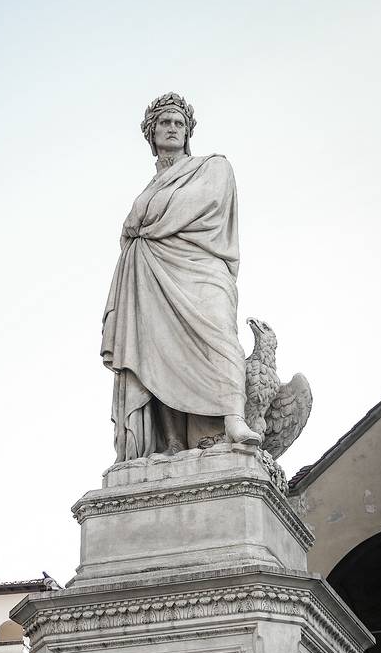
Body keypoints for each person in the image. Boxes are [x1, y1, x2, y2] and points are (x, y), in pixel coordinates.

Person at [101, 92, 261, 462]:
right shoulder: (148, 189)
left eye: (179, 123)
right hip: (151, 270)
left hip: (202, 266)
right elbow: (132, 229)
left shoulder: (212, 167)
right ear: (151, 132)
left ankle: (233, 419)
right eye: (164, 123)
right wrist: (143, 225)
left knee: (220, 336)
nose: (172, 128)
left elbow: (203, 203)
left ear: (188, 132)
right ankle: (172, 442)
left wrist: (146, 223)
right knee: (156, 349)